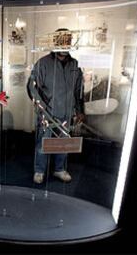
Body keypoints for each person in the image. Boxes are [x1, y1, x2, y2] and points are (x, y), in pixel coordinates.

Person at [27, 36, 85, 184]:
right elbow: (31, 87)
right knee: (42, 143)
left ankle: (59, 169)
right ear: (56, 43)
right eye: (62, 42)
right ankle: (39, 170)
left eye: (68, 42)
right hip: (48, 113)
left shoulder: (75, 65)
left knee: (64, 142)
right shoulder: (43, 63)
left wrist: (79, 110)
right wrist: (41, 107)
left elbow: (79, 90)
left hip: (66, 112)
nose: (65, 45)